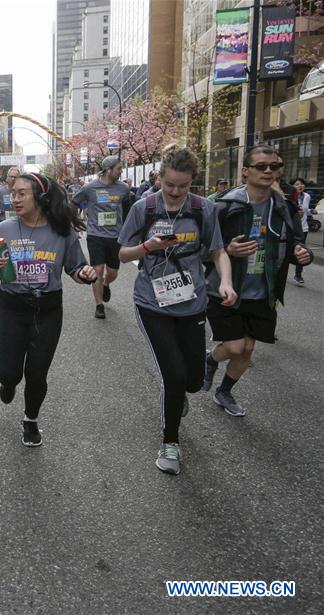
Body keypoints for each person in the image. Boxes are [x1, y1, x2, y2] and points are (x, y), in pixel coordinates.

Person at [118, 145, 237, 475]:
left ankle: (181, 391)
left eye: (182, 186)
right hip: (152, 303)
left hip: (192, 301)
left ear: (192, 182)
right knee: (173, 375)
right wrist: (147, 247)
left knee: (194, 380)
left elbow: (218, 251)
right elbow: (123, 255)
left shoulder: (203, 209)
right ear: (160, 176)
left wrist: (225, 281)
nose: (174, 192)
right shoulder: (145, 208)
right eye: (169, 184)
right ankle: (170, 442)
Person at [0, 173, 97, 447]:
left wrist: (85, 273)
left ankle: (31, 420)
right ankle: (9, 382)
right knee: (8, 372)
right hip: (12, 307)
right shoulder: (3, 230)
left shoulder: (62, 231)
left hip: (47, 309)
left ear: (40, 196)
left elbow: (74, 267)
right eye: (14, 193)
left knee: (37, 373)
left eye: (22, 193)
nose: (15, 198)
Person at [201, 145, 312, 418]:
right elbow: (202, 248)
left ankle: (224, 391)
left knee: (248, 349)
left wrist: (302, 254)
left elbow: (295, 243)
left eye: (274, 166)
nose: (268, 171)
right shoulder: (225, 205)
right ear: (245, 171)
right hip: (224, 289)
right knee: (236, 346)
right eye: (261, 166)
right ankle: (210, 359)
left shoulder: (284, 206)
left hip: (264, 291)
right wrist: (227, 250)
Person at [72, 155, 131, 319]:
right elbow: (74, 203)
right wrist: (75, 224)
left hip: (115, 236)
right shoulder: (89, 188)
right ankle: (99, 305)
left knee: (112, 272)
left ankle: (106, 283)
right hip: (95, 235)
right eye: (118, 168)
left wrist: (128, 231)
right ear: (108, 170)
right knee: (97, 269)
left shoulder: (124, 188)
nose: (121, 171)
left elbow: (128, 211)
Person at [291, 177, 310, 285]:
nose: (300, 186)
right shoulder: (289, 197)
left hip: (304, 228)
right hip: (291, 229)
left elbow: (307, 211)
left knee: (301, 250)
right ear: (292, 186)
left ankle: (298, 275)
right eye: (297, 184)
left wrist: (312, 211)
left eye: (302, 184)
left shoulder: (307, 196)